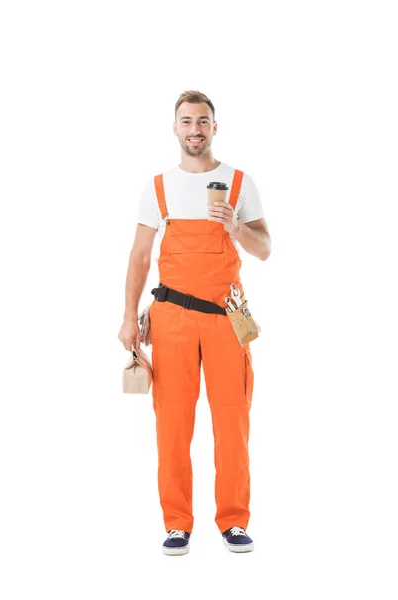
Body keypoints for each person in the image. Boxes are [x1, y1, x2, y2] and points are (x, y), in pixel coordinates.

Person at [118, 90, 271, 555]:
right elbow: (140, 255)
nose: (195, 129)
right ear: (175, 128)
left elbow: (264, 248)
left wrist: (234, 226)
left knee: (231, 423)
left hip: (227, 319)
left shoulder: (240, 182)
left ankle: (233, 521)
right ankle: (177, 524)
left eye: (203, 121)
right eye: (186, 121)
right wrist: (129, 317)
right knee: (172, 424)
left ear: (215, 127)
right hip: (171, 321)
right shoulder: (158, 187)